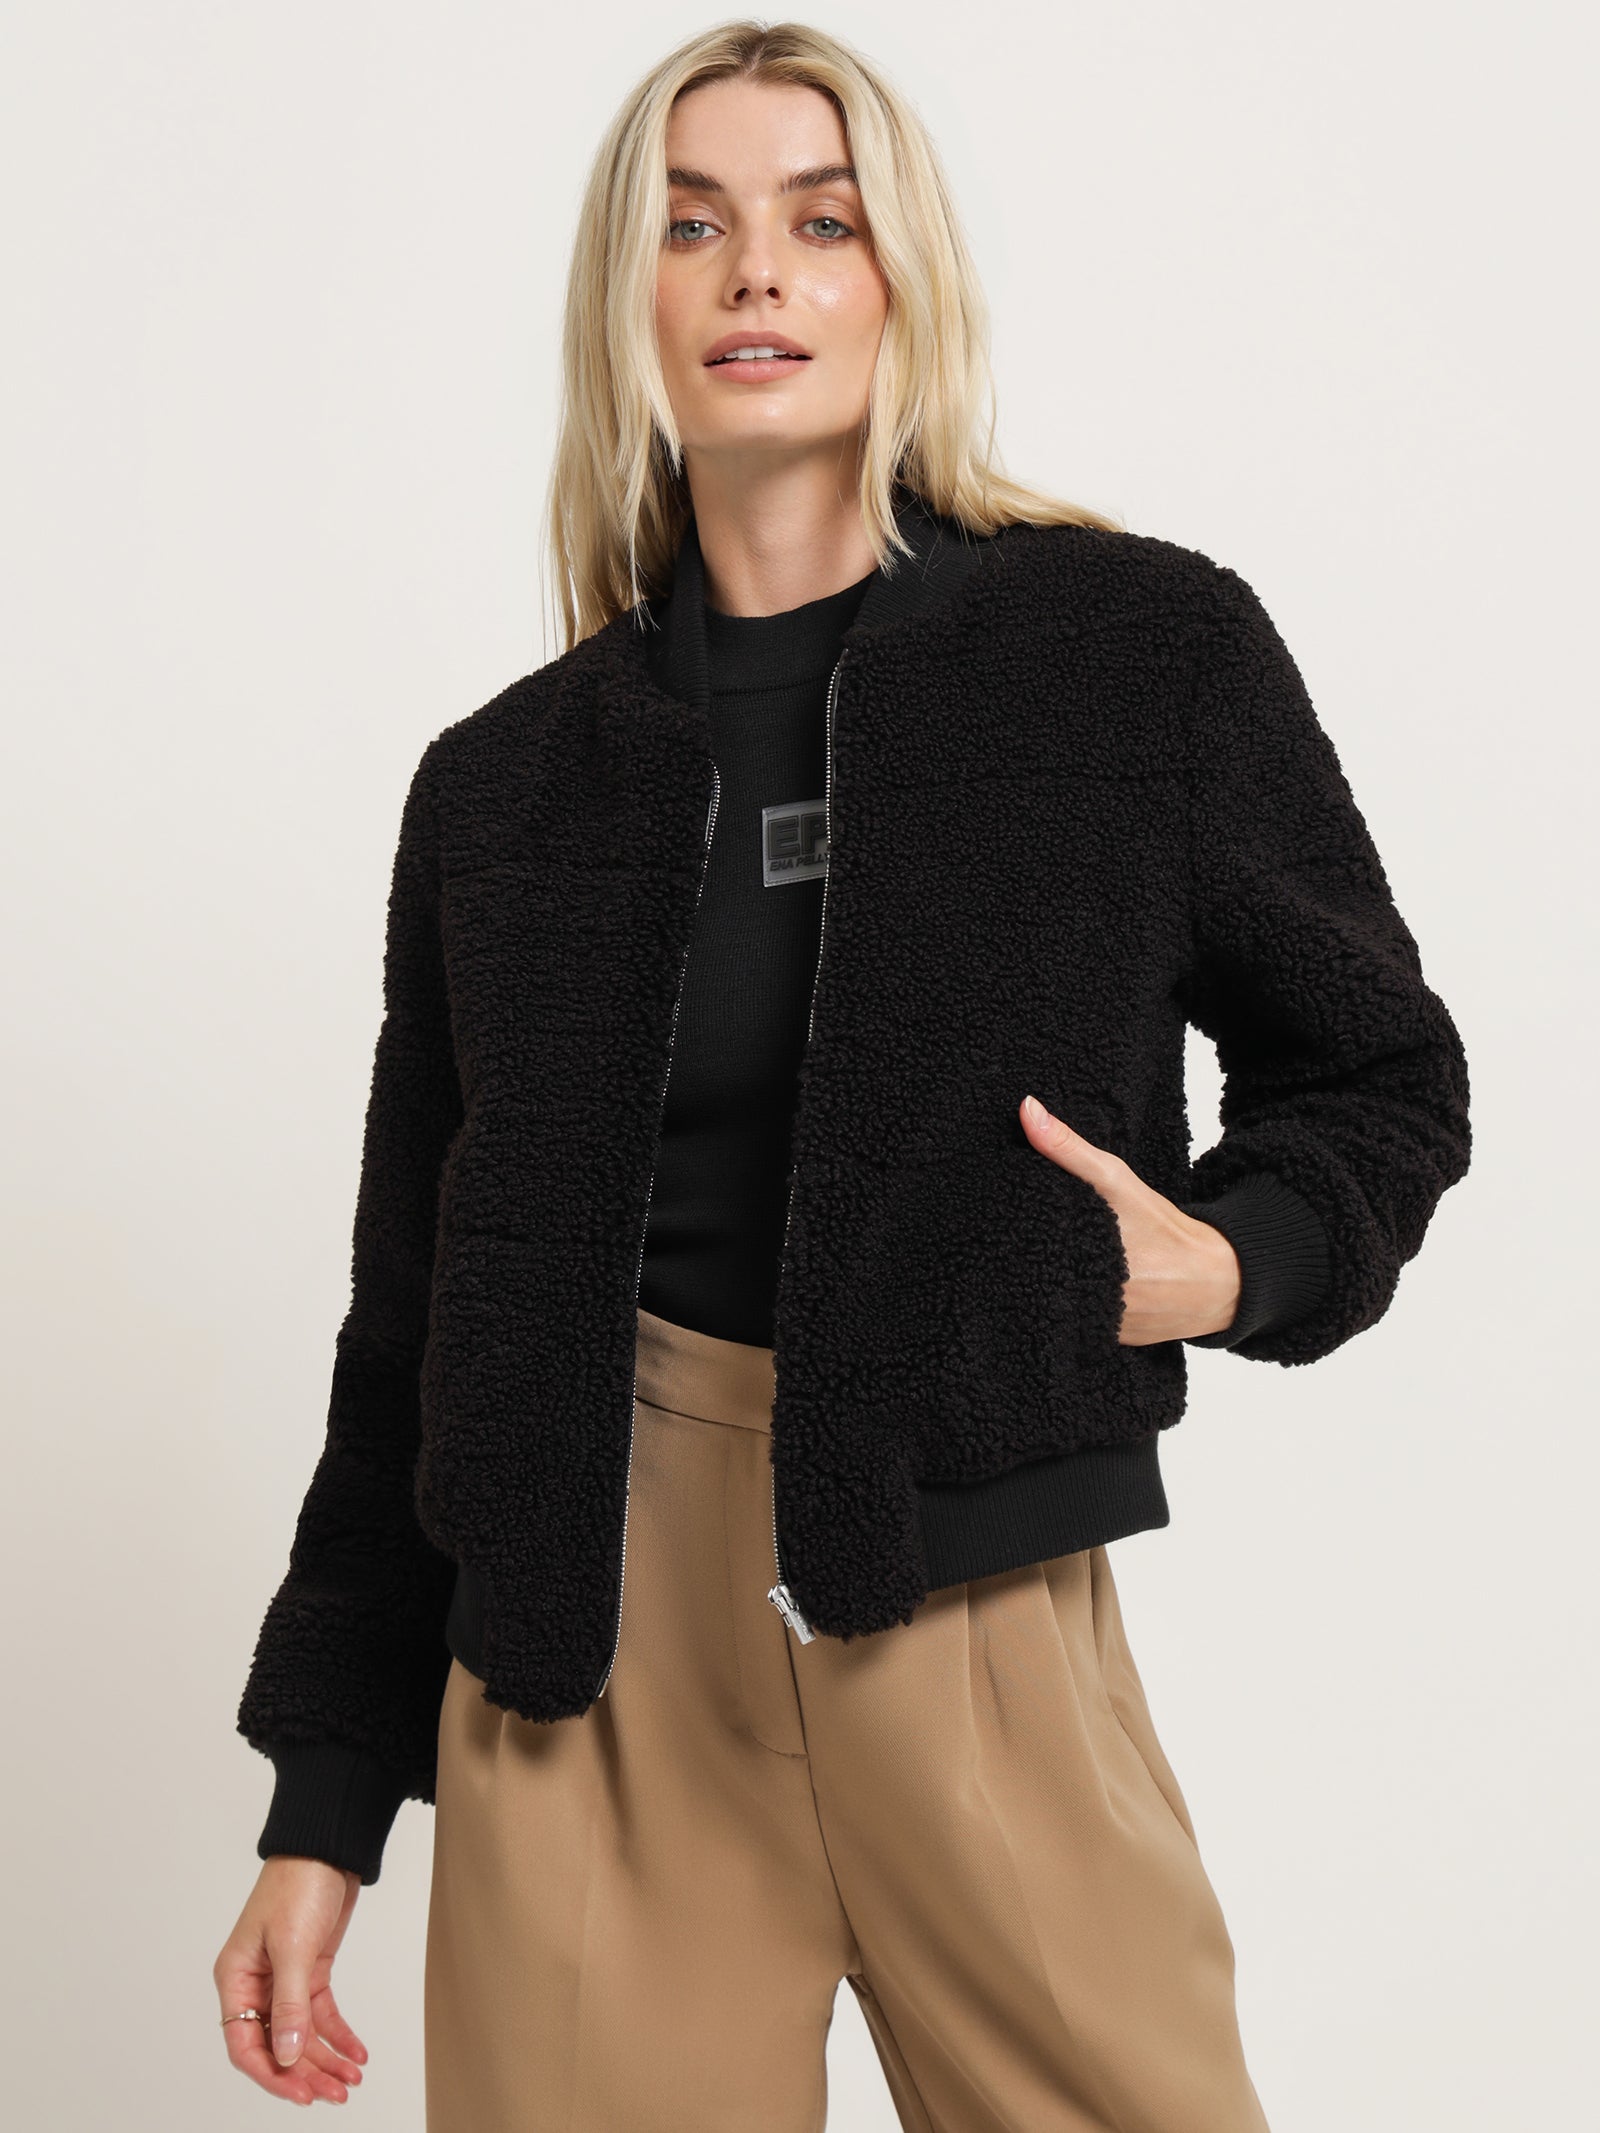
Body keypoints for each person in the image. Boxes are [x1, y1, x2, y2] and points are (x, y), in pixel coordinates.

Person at [213, 20, 1472, 2129]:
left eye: (821, 219)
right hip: (587, 1677)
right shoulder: (506, 788)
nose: (756, 275)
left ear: (903, 277)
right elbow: (415, 1323)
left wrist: (1226, 1261)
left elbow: (1381, 1074)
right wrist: (322, 1801)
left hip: (975, 1610)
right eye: (691, 225)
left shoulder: (1132, 656)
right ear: (628, 296)